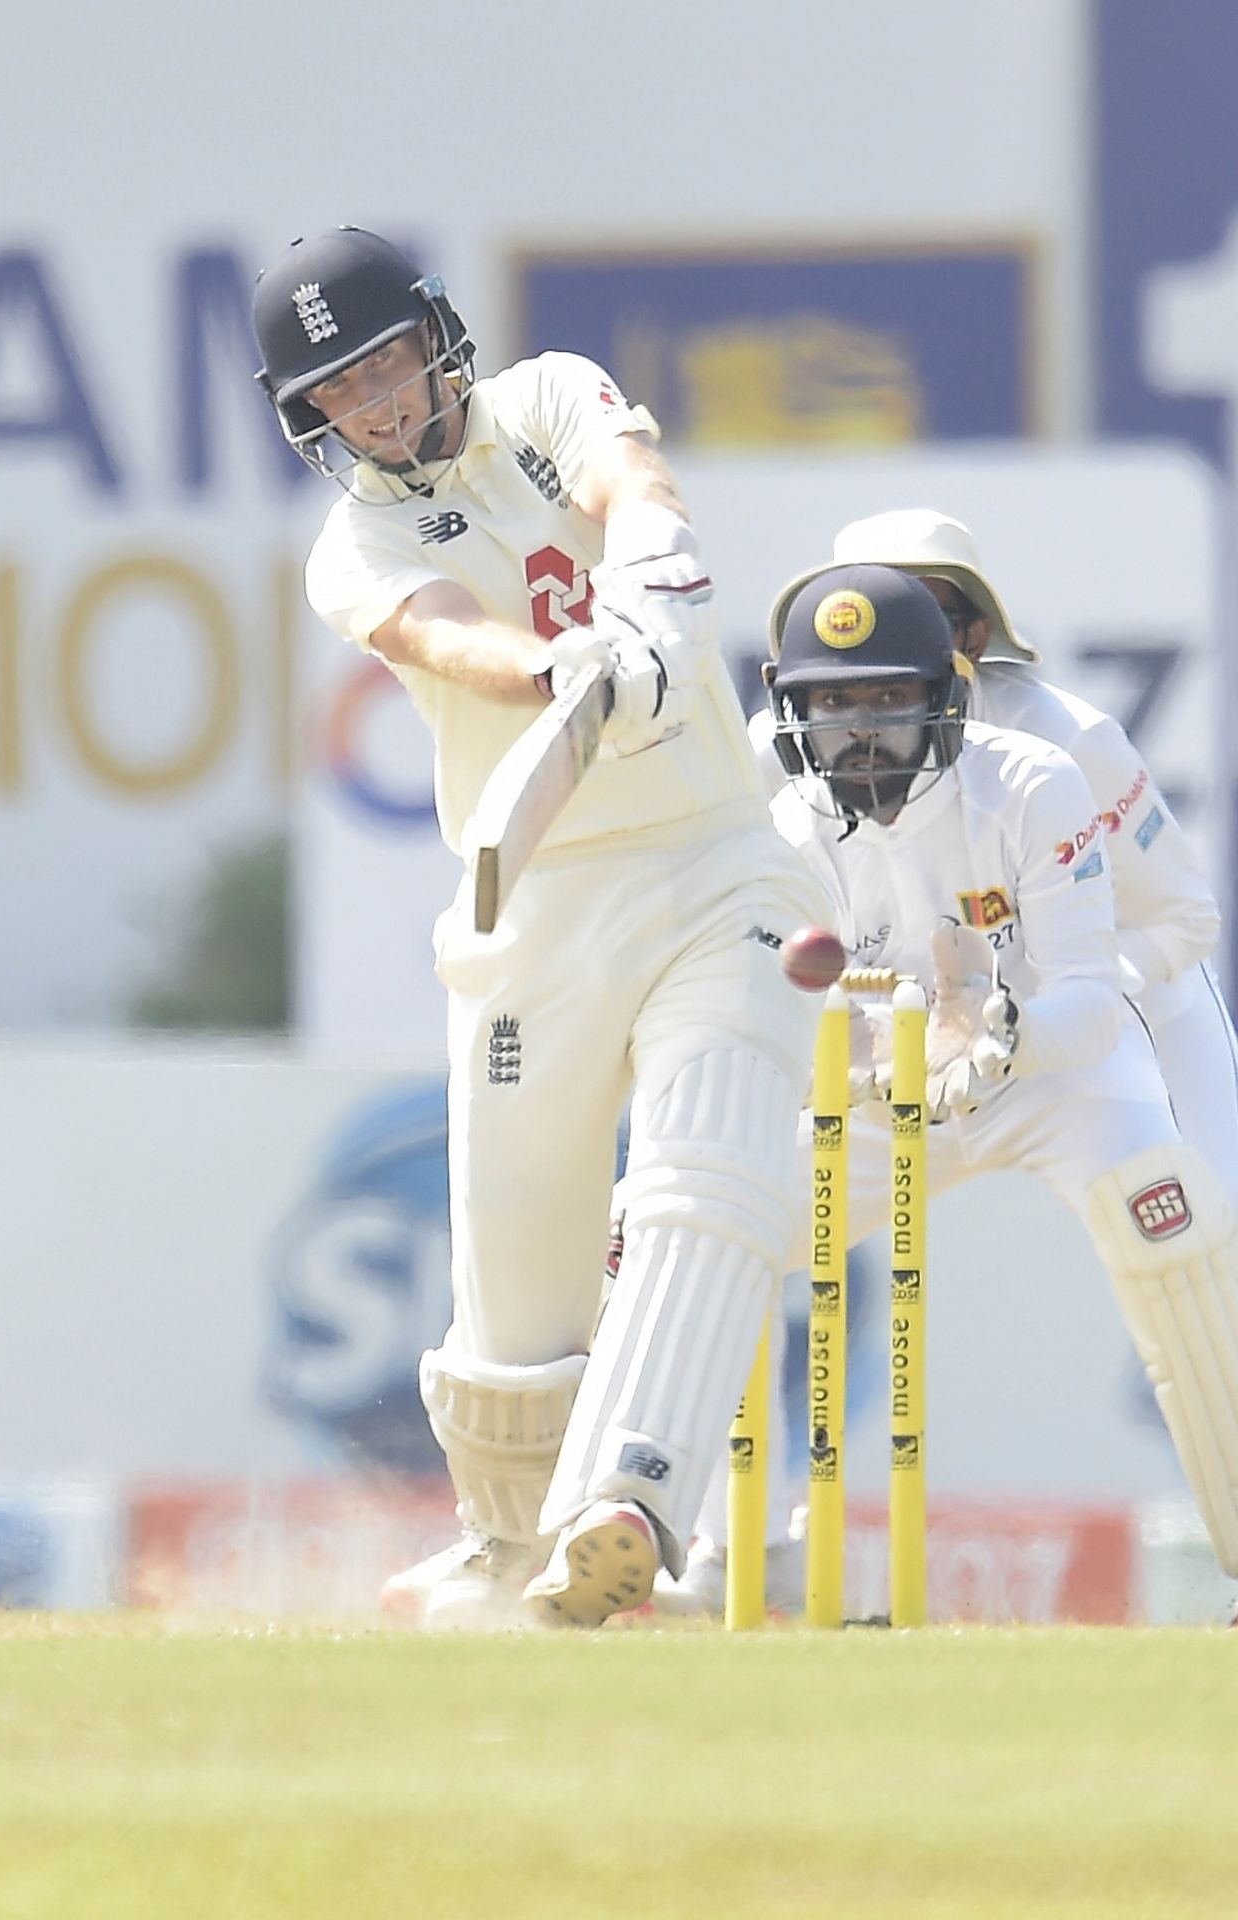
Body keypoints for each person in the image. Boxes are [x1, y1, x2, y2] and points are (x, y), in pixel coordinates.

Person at [251, 226, 824, 1629]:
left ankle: (636, 1508)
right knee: (513, 1302)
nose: (377, 406)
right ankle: (516, 1554)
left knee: (700, 1163)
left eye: (386, 362)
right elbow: (445, 635)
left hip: (714, 860)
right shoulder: (355, 543)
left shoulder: (549, 395)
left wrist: (658, 570)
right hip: (538, 901)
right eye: (341, 393)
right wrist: (559, 663)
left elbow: (631, 480)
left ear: (438, 337)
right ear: (313, 418)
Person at [659, 560, 1238, 1617]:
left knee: (1170, 1228)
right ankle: (724, 1555)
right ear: (791, 710)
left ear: (947, 694)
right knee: (702, 1232)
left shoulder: (1033, 775)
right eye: (832, 705)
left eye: (887, 697)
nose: (861, 730)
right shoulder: (766, 806)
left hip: (1047, 1072)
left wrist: (999, 1035)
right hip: (875, 1088)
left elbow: (1088, 1003)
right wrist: (871, 1064)